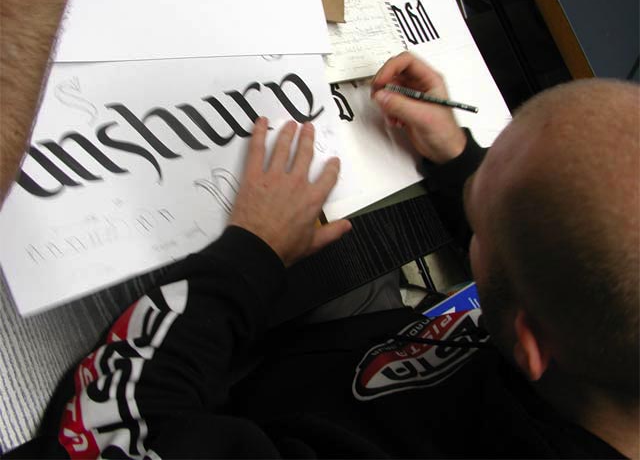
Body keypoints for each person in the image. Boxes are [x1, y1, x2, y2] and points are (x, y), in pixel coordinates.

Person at [6, 51, 639, 458]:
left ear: (530, 341)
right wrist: (459, 160)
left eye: (481, 218)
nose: (471, 197)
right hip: (356, 360)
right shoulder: (595, 355)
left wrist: (250, 253)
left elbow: (107, 434)